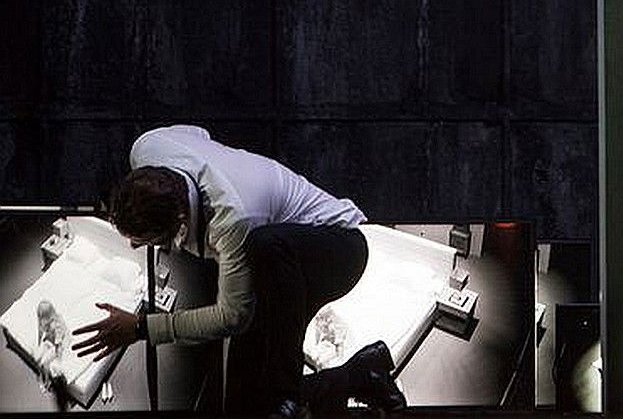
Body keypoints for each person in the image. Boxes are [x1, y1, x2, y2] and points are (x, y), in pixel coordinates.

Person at [68, 124, 406, 417]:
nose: (132, 246)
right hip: (273, 267)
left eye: (145, 240)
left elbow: (232, 316)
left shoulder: (233, 220)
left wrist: (142, 327)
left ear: (179, 221)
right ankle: (361, 374)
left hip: (336, 250)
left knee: (264, 245)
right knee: (240, 405)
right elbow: (199, 136)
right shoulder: (147, 147)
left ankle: (286, 395)